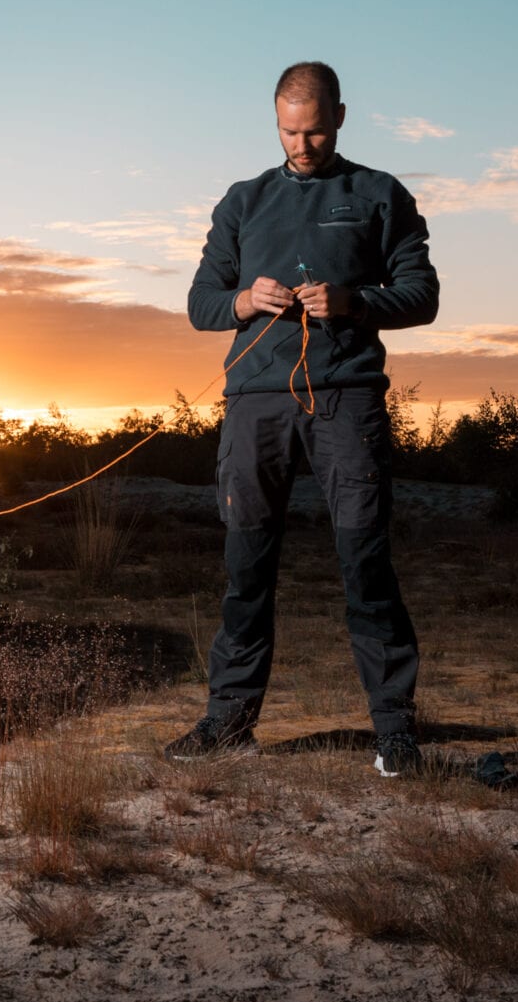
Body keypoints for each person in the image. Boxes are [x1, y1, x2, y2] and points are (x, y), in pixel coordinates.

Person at [172, 61, 438, 777]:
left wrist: (354, 302)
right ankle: (228, 724)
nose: (303, 143)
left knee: (365, 563)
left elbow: (422, 295)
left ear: (341, 117)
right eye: (291, 130)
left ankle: (395, 733)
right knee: (246, 570)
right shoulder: (243, 199)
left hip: (346, 399)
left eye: (315, 128)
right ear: (276, 122)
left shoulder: (380, 194)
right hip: (254, 404)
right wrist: (245, 302)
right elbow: (201, 302)